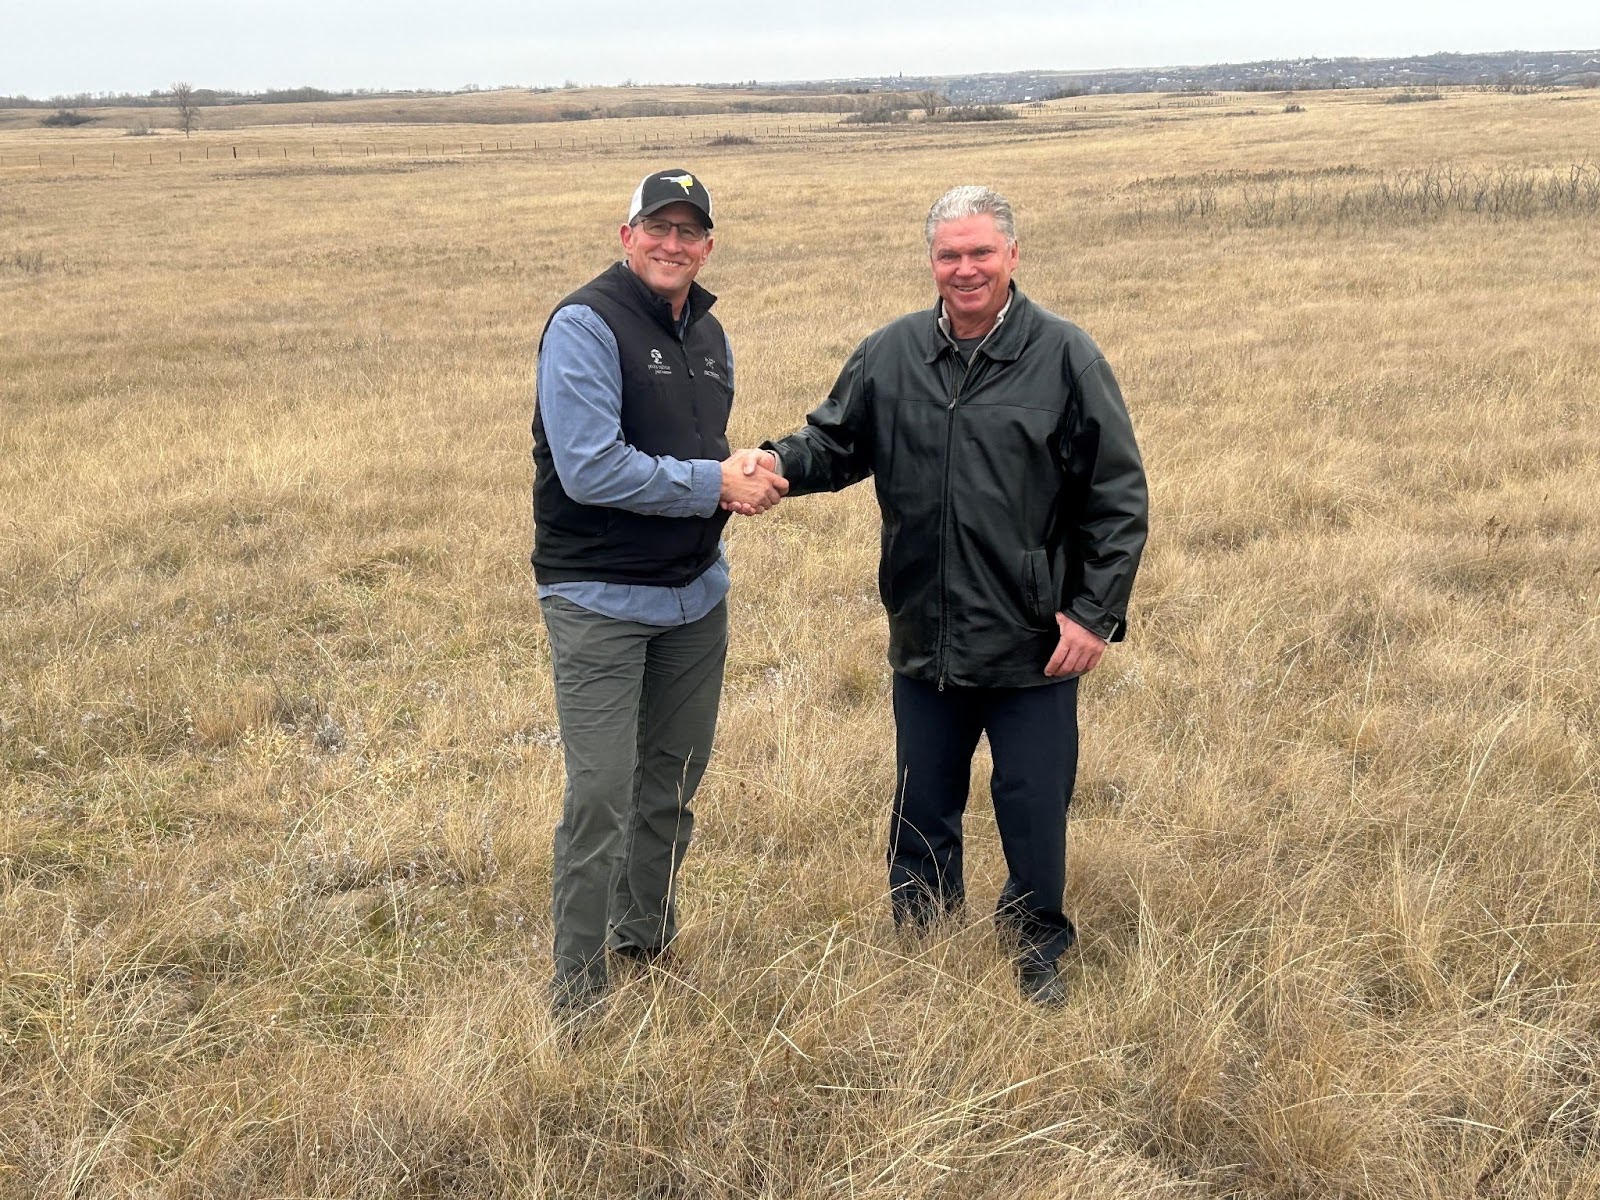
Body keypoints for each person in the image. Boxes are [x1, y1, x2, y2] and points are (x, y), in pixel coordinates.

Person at [741, 185, 1147, 1006]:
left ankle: (1037, 947)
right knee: (923, 799)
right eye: (949, 255)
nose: (965, 270)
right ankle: (922, 940)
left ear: (1012, 256)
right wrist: (775, 461)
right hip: (924, 630)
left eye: (981, 253)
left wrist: (1094, 612)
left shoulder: (1066, 356)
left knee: (1033, 803)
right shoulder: (890, 354)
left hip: (1035, 637)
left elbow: (1117, 494)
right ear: (931, 262)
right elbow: (836, 441)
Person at [531, 168, 787, 1017]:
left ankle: (644, 939)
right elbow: (590, 465)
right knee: (602, 794)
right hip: (600, 598)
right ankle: (578, 992)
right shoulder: (585, 324)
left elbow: (702, 449)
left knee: (672, 782)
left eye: (689, 232)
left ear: (708, 245)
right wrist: (716, 485)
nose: (673, 245)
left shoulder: (709, 335)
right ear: (626, 234)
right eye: (658, 227)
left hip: (692, 599)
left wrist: (749, 472)